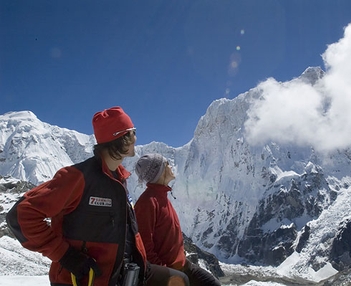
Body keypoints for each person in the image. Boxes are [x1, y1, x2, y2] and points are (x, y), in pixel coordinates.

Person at [6, 107, 189, 286]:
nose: (136, 138)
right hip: (86, 278)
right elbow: (21, 215)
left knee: (178, 281)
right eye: (132, 132)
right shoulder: (78, 177)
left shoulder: (119, 178)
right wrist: (66, 256)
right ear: (121, 137)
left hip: (121, 274)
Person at [134, 153, 221, 286]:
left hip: (182, 265)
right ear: (160, 171)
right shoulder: (148, 202)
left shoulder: (161, 196)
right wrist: (163, 272)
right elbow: (144, 245)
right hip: (169, 270)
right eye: (167, 164)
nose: (171, 166)